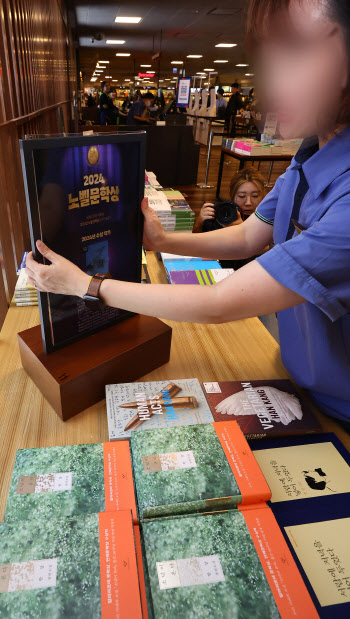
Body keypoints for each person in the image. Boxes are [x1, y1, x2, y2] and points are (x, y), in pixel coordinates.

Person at [26, 0, 350, 427]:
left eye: (294, 51)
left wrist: (87, 285)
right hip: (295, 376)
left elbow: (218, 302)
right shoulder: (311, 151)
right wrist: (164, 241)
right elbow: (250, 235)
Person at [192, 169, 267, 269]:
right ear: (232, 195)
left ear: (263, 196)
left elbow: (268, 248)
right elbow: (196, 244)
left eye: (255, 196)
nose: (248, 202)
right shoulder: (221, 213)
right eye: (242, 196)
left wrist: (242, 229)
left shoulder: (267, 217)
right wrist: (199, 222)